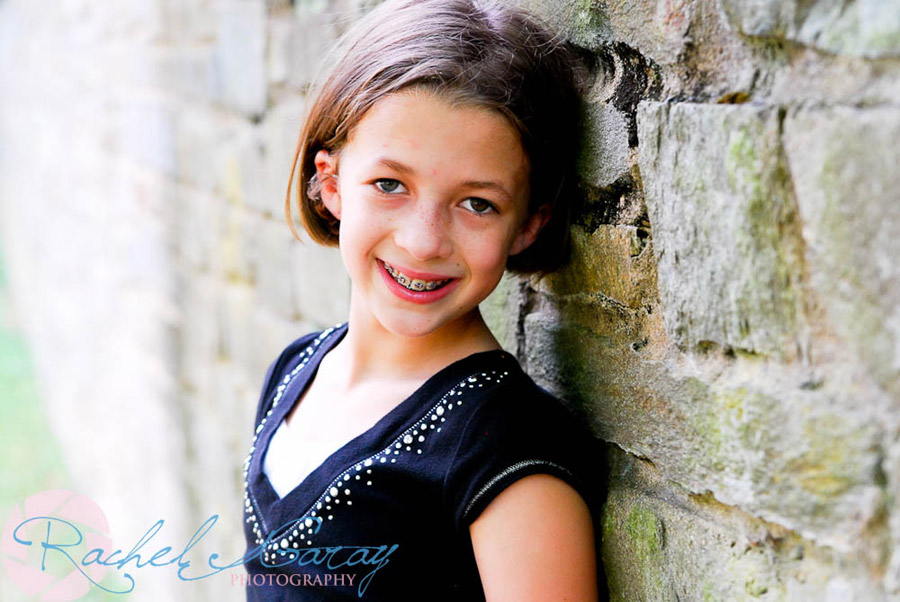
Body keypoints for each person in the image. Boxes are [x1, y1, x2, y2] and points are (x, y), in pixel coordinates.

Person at [240, 0, 606, 599]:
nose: (422, 241)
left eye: (477, 203)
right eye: (390, 185)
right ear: (331, 184)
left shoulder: (507, 449)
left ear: (528, 226)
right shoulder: (295, 372)